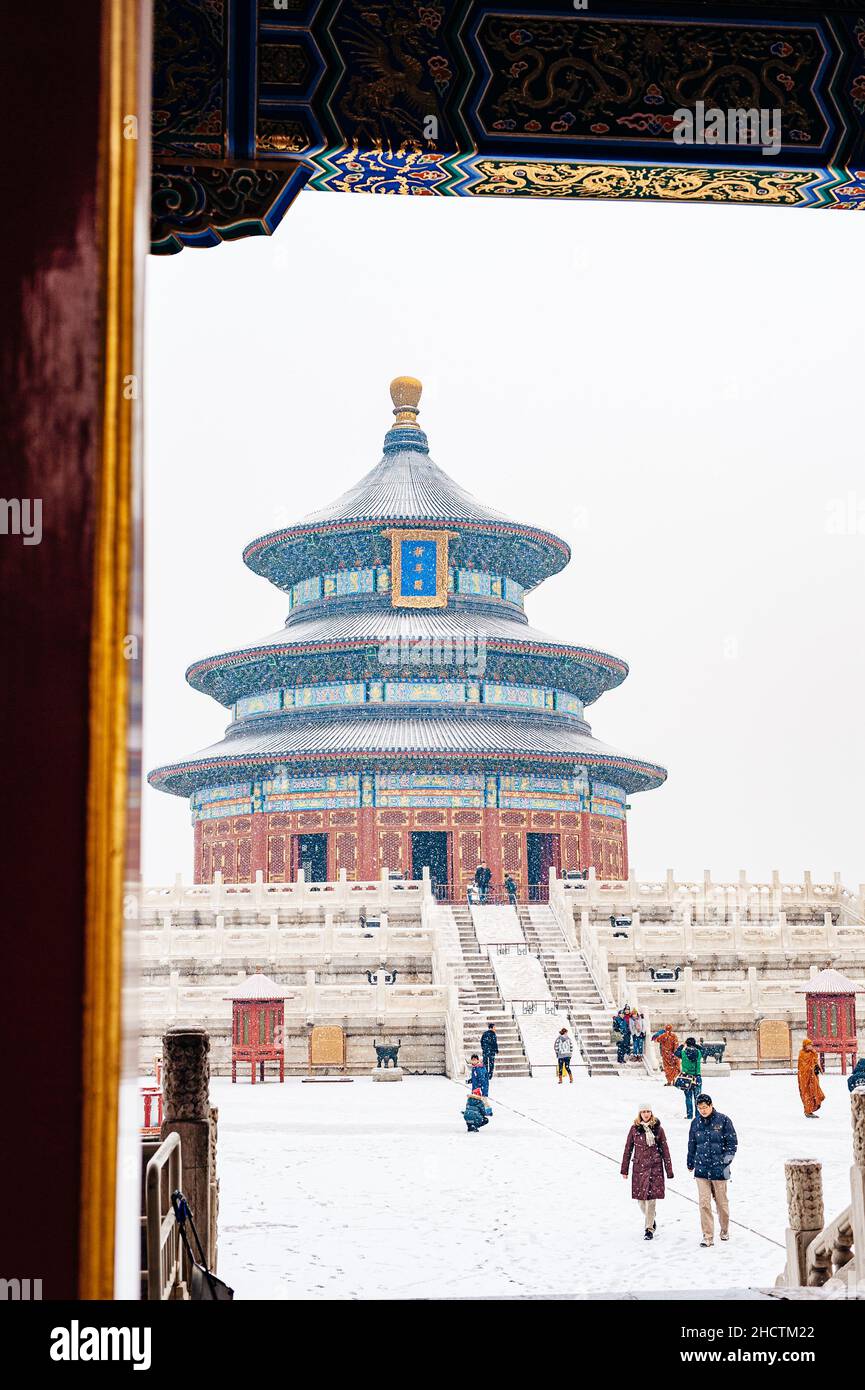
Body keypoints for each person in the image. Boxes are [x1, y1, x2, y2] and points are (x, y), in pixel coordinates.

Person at [687, 1093, 737, 1247]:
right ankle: (708, 1236)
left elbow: (732, 1143)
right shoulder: (695, 1123)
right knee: (704, 1203)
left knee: (722, 1203)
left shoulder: (723, 1120)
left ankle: (724, 1229)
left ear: (711, 1105)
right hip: (701, 1169)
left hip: (720, 1170)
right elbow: (692, 1144)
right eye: (700, 1108)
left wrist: (725, 1162)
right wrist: (690, 1162)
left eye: (705, 1107)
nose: (702, 1110)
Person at [621, 1104, 674, 1240]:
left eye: (648, 1111)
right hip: (639, 1168)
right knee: (640, 1200)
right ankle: (651, 1217)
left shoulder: (658, 1129)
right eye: (643, 1111)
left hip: (654, 1168)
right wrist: (624, 1169)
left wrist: (669, 1170)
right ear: (640, 1113)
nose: (646, 1114)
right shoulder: (634, 1129)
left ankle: (649, 1229)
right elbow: (628, 1149)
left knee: (651, 1200)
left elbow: (665, 1150)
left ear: (652, 1112)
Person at [674, 1037, 704, 1117]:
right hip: (697, 1077)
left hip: (686, 1078)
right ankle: (698, 1116)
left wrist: (682, 1045)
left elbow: (676, 1053)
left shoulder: (683, 1053)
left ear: (687, 1044)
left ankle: (689, 1115)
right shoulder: (698, 1053)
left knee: (688, 1097)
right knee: (697, 1098)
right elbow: (704, 1050)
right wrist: (696, 1045)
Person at [797, 1037, 825, 1118]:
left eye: (811, 1045)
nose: (810, 1046)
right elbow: (802, 1067)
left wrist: (817, 1067)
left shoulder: (813, 1053)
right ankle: (808, 1111)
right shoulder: (802, 1054)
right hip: (804, 1077)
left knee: (814, 1091)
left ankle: (811, 1109)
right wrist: (810, 1069)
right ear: (804, 1046)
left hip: (813, 1076)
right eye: (808, 1045)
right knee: (806, 1092)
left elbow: (815, 1062)